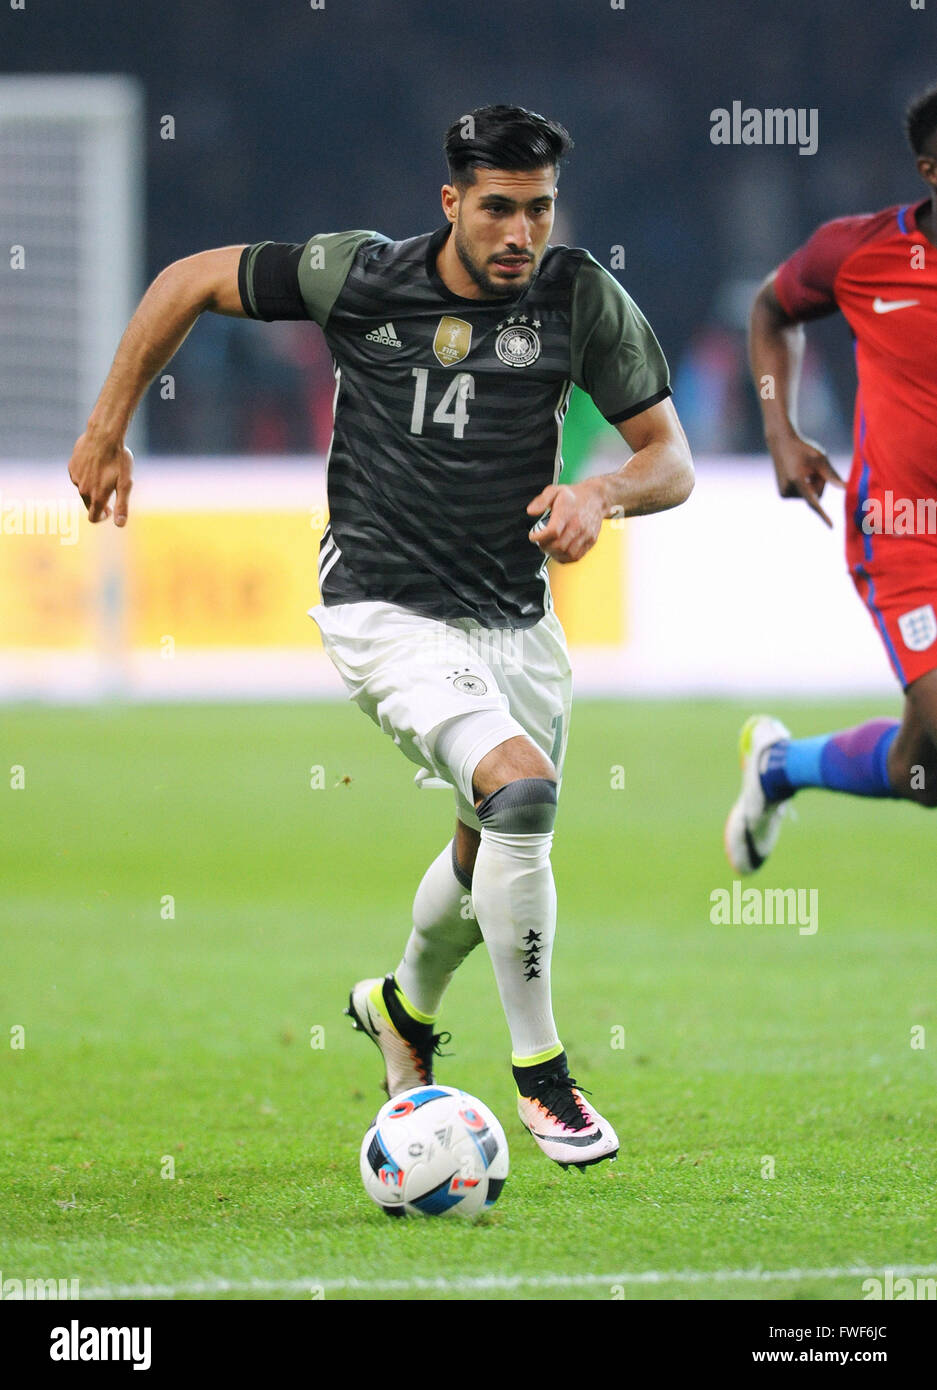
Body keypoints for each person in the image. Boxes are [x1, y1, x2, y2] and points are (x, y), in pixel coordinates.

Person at [68, 104, 693, 1170]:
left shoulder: (579, 293)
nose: (519, 234)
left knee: (487, 836)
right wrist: (105, 428)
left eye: (538, 210)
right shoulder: (360, 276)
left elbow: (668, 459)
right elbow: (186, 280)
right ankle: (542, 1076)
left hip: (517, 620)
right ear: (450, 202)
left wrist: (604, 496)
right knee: (521, 793)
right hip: (383, 605)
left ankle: (401, 1009)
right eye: (497, 208)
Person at [727, 86, 937, 875]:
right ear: (929, 170)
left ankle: (777, 766)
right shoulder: (858, 254)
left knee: (919, 776)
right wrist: (779, 430)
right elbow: (769, 311)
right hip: (906, 541)